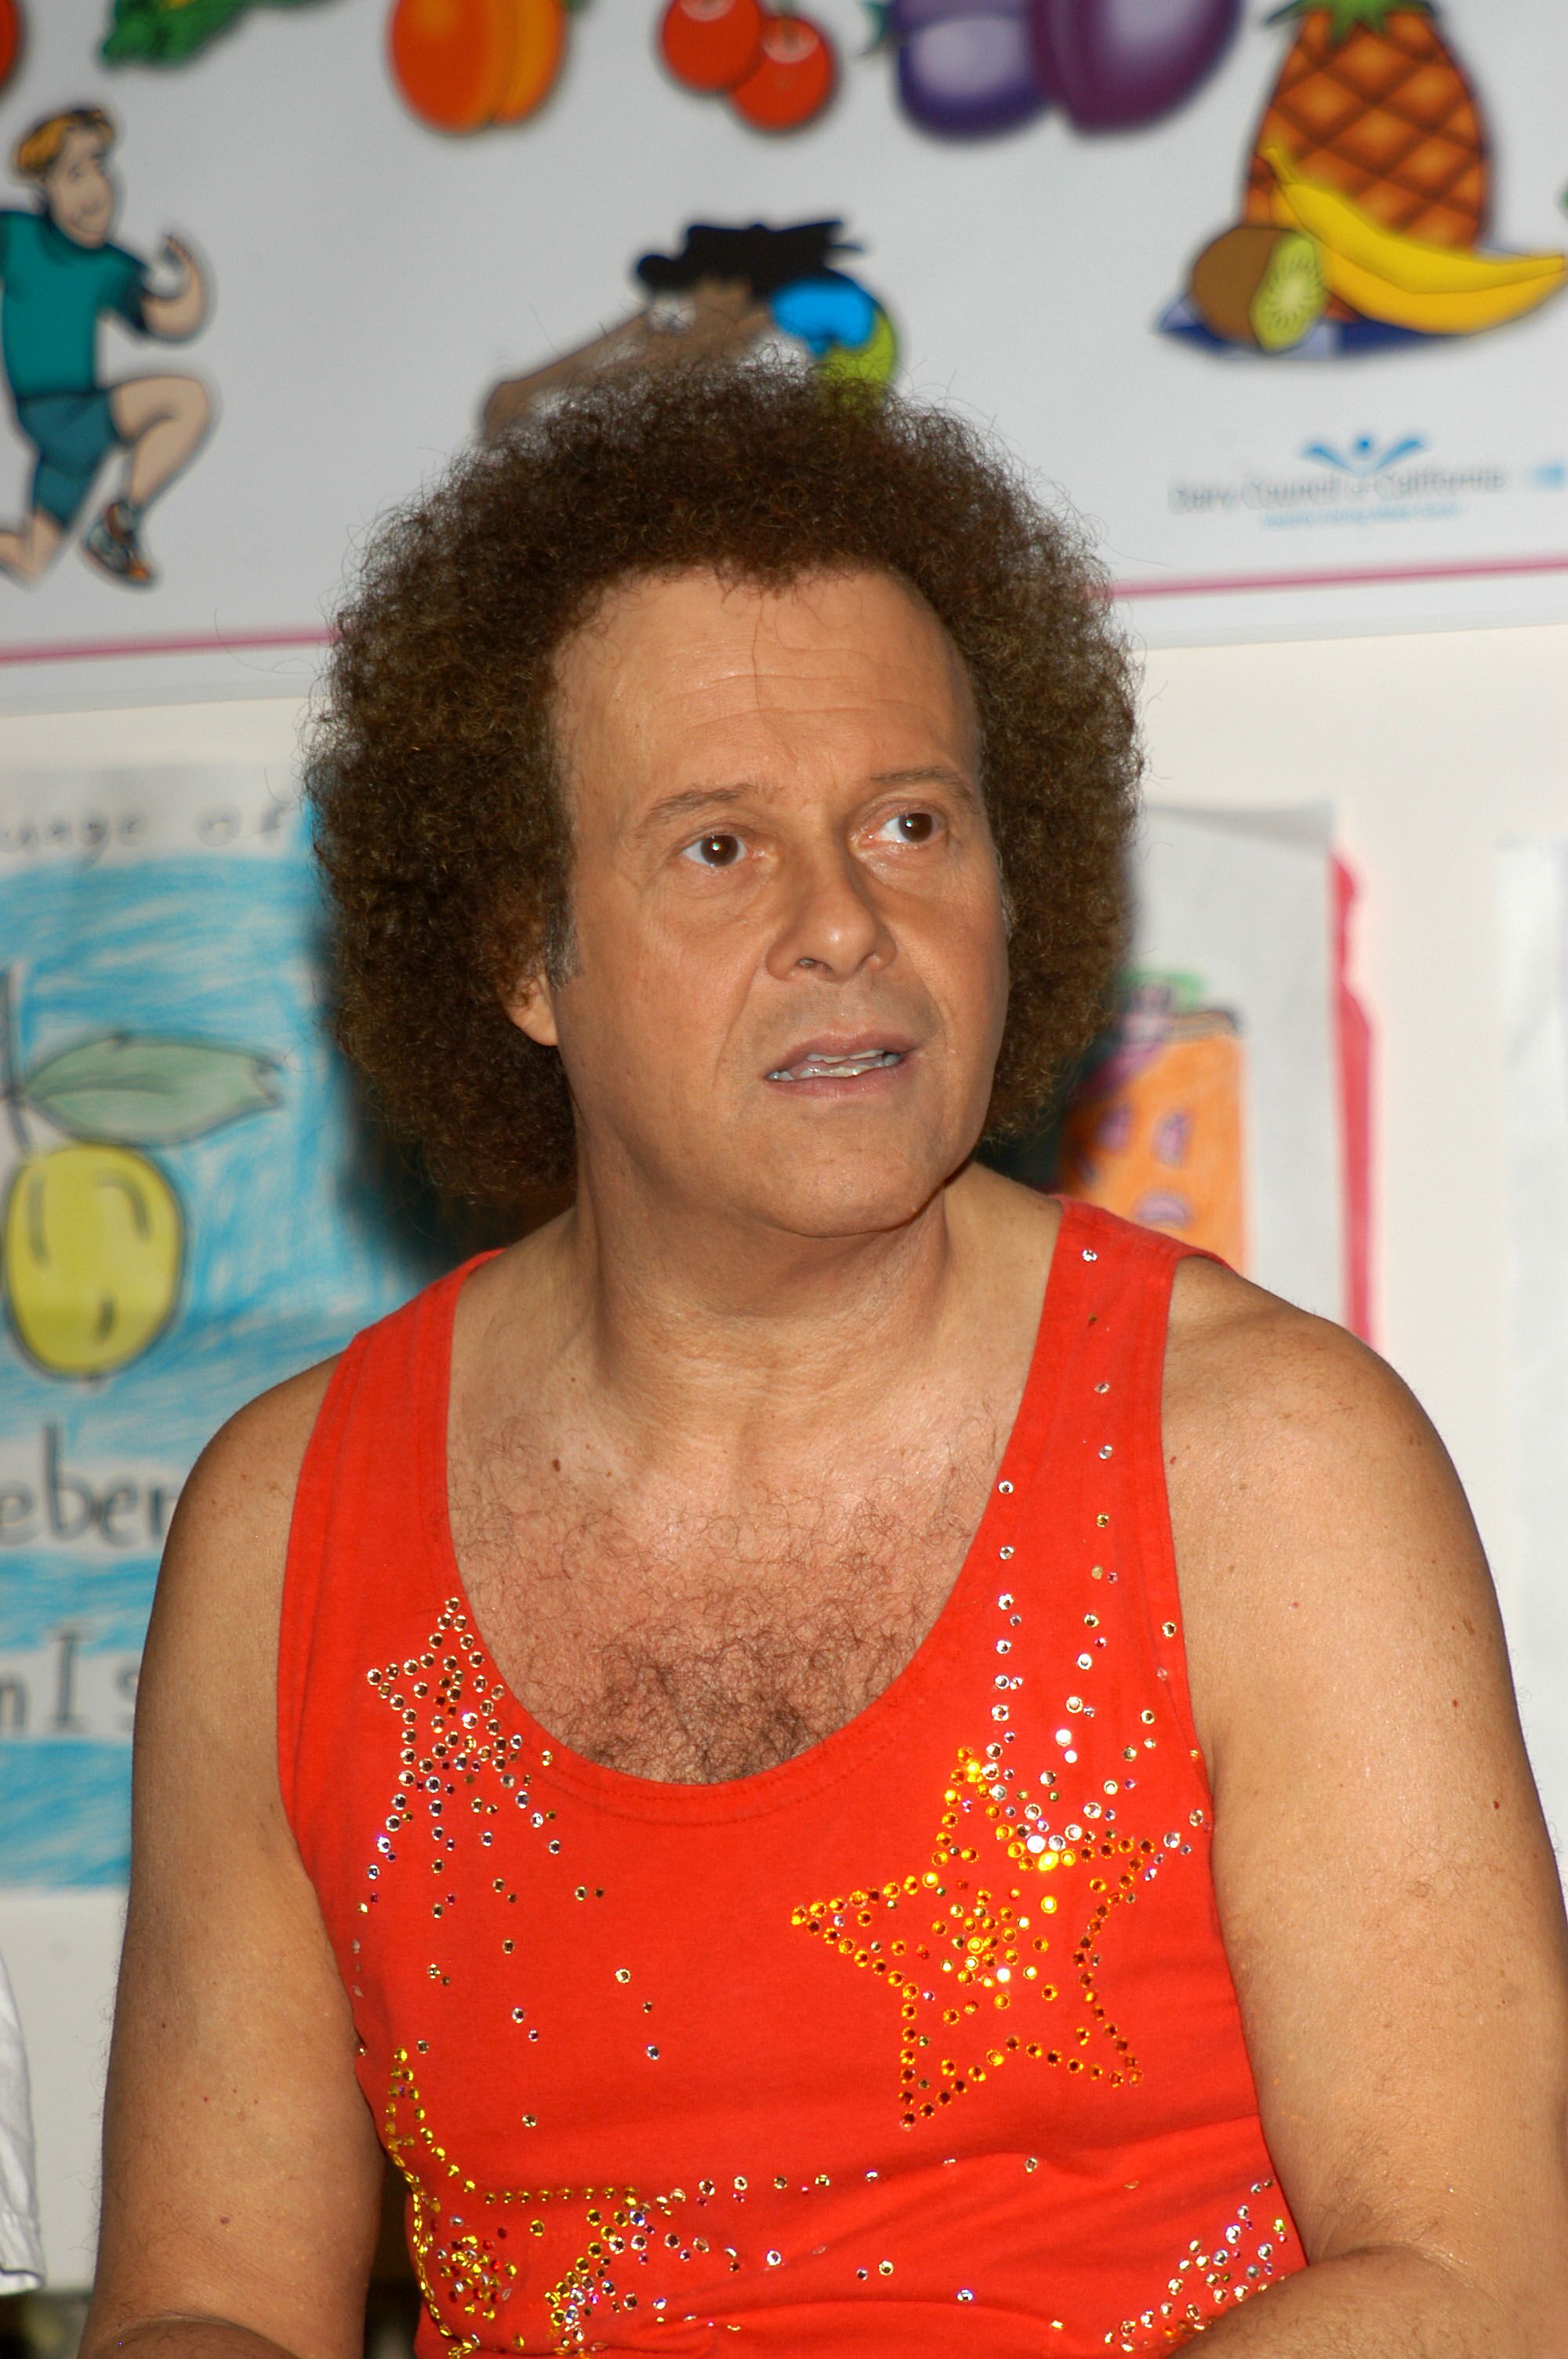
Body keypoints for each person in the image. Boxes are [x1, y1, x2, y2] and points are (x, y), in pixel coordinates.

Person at [85, 367, 1568, 2359]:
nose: (846, 925)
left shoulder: (1267, 1459)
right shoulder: (283, 1529)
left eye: (907, 821)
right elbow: (199, 2307)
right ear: (526, 953)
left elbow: (1481, 2285)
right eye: (716, 848)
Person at [0, 107, 212, 588]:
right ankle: (117, 526)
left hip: (72, 439)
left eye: (99, 165)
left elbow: (168, 316)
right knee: (187, 399)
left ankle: (112, 531)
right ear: (45, 186)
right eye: (75, 173)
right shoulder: (19, 237)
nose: (96, 188)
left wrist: (194, 282)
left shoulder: (108, 265)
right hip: (60, 415)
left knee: (32, 561)